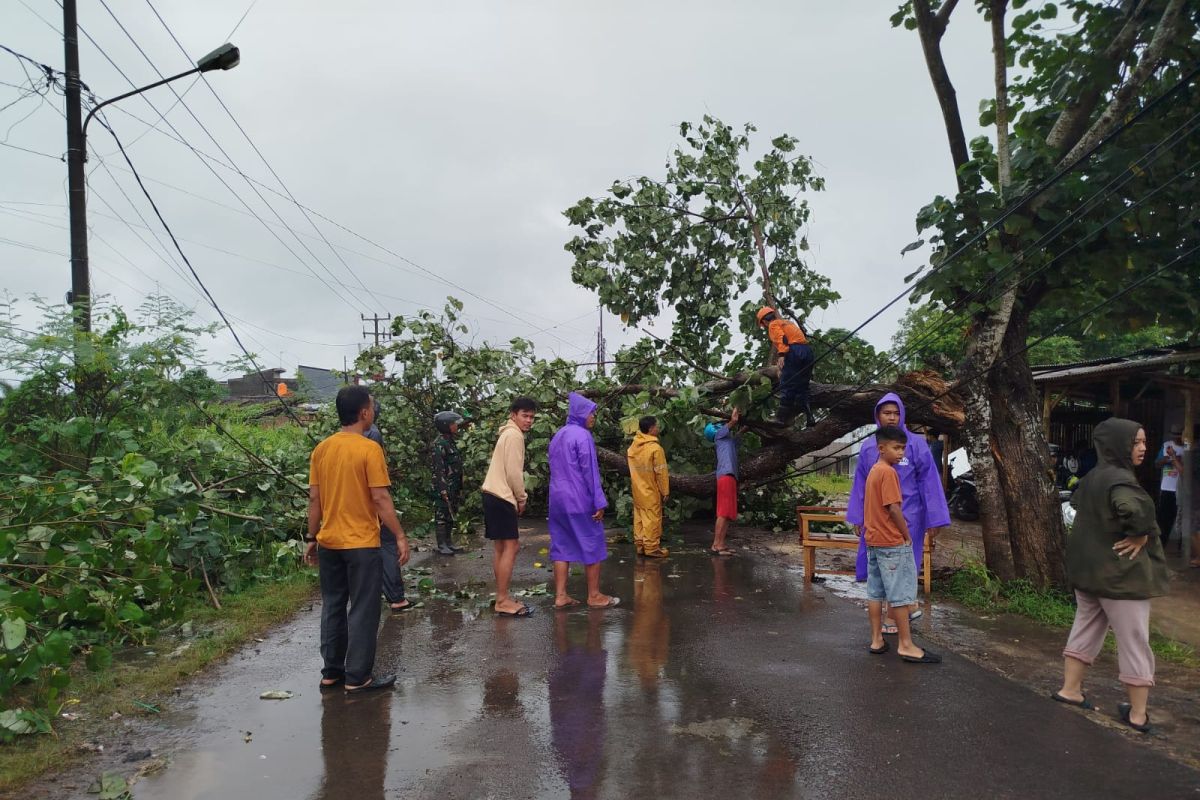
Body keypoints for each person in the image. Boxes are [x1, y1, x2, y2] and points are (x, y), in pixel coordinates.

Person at [1054, 418, 1168, 734]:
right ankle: (1138, 715)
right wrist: (1141, 533)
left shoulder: (1092, 477)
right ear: (1118, 445)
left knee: (1086, 627)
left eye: (1144, 442)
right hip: (1120, 577)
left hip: (1089, 573)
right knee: (1134, 641)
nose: (1143, 448)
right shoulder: (1121, 481)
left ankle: (1070, 691)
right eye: (1136, 442)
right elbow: (1134, 511)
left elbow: (1077, 503)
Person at [304, 385, 409, 693]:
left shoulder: (322, 449)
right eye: (372, 407)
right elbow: (380, 497)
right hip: (361, 544)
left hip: (329, 542)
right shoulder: (368, 449)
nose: (373, 412)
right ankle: (358, 676)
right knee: (363, 607)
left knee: (333, 604)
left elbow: (314, 499)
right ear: (364, 412)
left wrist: (311, 537)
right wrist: (400, 535)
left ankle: (331, 672)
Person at [847, 392, 950, 634]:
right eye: (886, 413)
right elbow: (860, 485)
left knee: (904, 567)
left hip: (909, 518)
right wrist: (858, 517)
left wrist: (933, 519)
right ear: (878, 416)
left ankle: (894, 617)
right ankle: (893, 614)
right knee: (879, 568)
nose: (892, 418)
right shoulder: (869, 447)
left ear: (902, 414)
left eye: (896, 413)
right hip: (877, 519)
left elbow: (930, 482)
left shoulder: (915, 444)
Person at [862, 426, 940, 664]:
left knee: (875, 592)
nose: (900, 453)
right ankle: (906, 645)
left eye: (903, 449)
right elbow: (894, 507)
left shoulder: (874, 471)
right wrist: (907, 535)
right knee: (901, 595)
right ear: (881, 448)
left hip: (873, 540)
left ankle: (877, 639)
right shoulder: (888, 473)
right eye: (896, 448)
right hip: (890, 541)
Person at [549, 392, 619, 610]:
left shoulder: (558, 435)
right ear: (581, 413)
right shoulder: (582, 436)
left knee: (561, 546)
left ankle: (561, 595)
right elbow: (590, 472)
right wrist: (599, 502)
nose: (593, 418)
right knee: (593, 543)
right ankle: (594, 595)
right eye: (591, 413)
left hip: (557, 500)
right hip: (579, 499)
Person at [481, 396, 538, 617]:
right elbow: (514, 473)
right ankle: (503, 600)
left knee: (501, 548)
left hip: (491, 493)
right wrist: (521, 498)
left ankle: (501, 596)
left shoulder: (507, 432)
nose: (529, 421)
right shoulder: (514, 436)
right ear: (513, 415)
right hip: (502, 496)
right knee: (511, 547)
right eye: (525, 416)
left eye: (532, 417)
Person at [363, 399, 411, 611]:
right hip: (373, 500)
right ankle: (396, 598)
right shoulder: (373, 435)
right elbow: (377, 485)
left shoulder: (339, 440)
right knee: (388, 544)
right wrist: (399, 533)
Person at [756, 306, 816, 428]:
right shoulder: (787, 322)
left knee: (787, 382)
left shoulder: (773, 325)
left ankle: (780, 419)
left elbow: (781, 338)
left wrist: (782, 355)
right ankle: (810, 417)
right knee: (802, 386)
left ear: (764, 321)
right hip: (807, 351)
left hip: (793, 351)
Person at [627, 415, 670, 558]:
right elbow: (661, 473)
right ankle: (651, 548)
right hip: (650, 490)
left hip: (637, 489)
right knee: (652, 518)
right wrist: (665, 491)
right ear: (651, 429)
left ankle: (640, 546)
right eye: (656, 426)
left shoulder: (633, 447)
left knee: (639, 517)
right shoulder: (655, 449)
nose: (658, 428)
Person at [706, 407, 742, 556]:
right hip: (726, 476)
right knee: (723, 512)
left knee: (728, 513)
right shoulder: (719, 436)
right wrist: (737, 406)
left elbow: (741, 432)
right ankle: (716, 545)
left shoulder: (728, 441)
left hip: (730, 476)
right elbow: (734, 420)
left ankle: (721, 544)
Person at [431, 410, 466, 556]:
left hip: (454, 485)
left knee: (451, 514)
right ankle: (441, 544)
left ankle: (449, 542)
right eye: (453, 424)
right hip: (443, 486)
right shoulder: (439, 444)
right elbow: (439, 469)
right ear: (446, 425)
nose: (456, 426)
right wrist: (443, 489)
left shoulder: (451, 441)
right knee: (442, 515)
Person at [1154, 424, 1187, 552]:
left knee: (1183, 521)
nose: (1177, 438)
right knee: (1164, 520)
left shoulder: (1188, 447)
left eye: (1179, 435)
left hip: (1183, 489)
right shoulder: (1166, 445)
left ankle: (1182, 549)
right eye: (1175, 435)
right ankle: (1160, 547)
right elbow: (1157, 464)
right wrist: (1168, 459)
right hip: (1167, 488)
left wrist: (1176, 458)